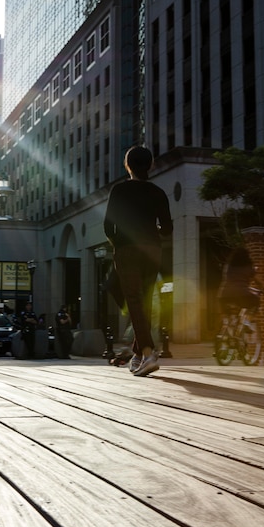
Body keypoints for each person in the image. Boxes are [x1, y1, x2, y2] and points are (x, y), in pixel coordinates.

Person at [104, 146, 173, 377]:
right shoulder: (158, 192)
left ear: (127, 165)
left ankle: (148, 352)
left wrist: (118, 243)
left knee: (133, 299)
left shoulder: (120, 190)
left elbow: (107, 226)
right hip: (152, 249)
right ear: (150, 165)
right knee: (140, 299)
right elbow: (167, 229)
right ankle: (137, 352)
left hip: (127, 249)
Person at [217, 246, 264, 313]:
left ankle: (223, 321)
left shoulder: (228, 266)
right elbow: (259, 282)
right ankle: (249, 320)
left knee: (224, 315)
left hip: (223, 295)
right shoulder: (248, 267)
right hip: (242, 295)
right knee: (256, 301)